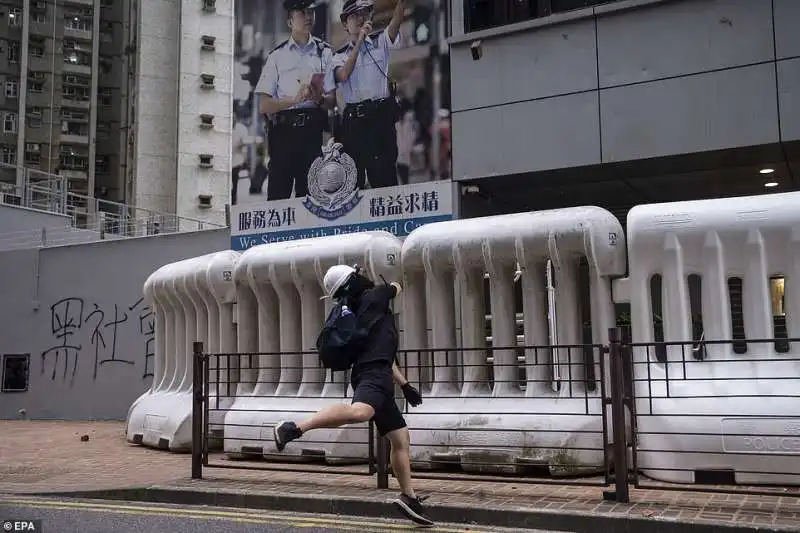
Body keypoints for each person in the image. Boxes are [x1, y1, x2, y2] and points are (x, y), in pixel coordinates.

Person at [273, 264, 434, 527]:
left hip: (374, 373)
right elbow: (397, 285)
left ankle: (409, 497)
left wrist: (404, 385)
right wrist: (386, 283)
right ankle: (294, 428)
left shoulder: (360, 313)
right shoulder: (375, 297)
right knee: (360, 411)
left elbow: (383, 355)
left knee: (400, 437)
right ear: (354, 279)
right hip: (374, 377)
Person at [255, 0, 335, 200]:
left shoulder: (324, 53)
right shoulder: (277, 57)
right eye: (302, 12)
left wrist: (317, 97)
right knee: (278, 199)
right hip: (283, 136)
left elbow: (333, 101)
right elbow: (264, 105)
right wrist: (294, 100)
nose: (308, 16)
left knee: (310, 202)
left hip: (312, 135)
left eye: (311, 12)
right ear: (290, 20)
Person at [324, 0, 405, 190]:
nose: (360, 19)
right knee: (353, 187)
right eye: (354, 16)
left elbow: (396, 22)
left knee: (385, 183)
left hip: (380, 121)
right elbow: (343, 74)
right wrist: (359, 41)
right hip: (354, 126)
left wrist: (401, 4)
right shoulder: (338, 56)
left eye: (364, 13)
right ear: (345, 24)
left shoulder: (380, 41)